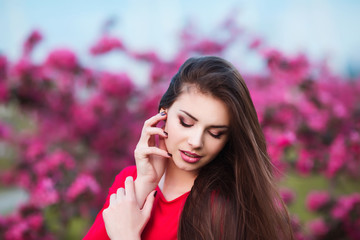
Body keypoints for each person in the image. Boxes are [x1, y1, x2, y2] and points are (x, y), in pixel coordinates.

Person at [83, 56, 294, 240]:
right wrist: (144, 186)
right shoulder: (130, 182)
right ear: (163, 113)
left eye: (215, 133)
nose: (196, 141)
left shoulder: (222, 207)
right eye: (186, 122)